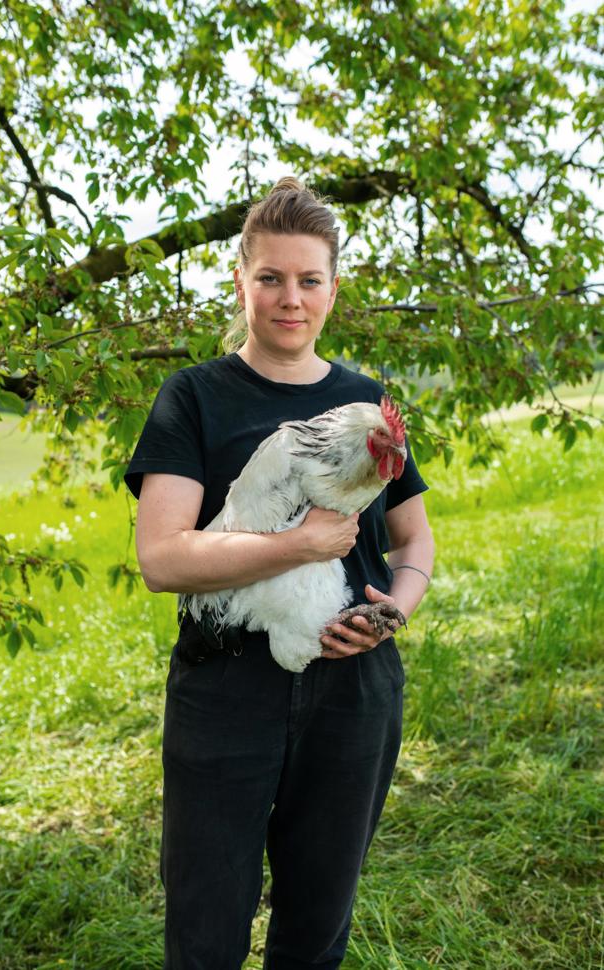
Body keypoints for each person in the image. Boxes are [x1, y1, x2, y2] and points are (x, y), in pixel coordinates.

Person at [124, 176, 434, 970]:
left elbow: (413, 542)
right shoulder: (193, 397)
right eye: (269, 277)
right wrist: (299, 544)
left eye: (308, 279)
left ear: (332, 288)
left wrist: (392, 611)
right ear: (241, 281)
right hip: (226, 689)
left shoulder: (365, 401)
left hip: (353, 694)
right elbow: (161, 559)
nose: (289, 298)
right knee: (205, 932)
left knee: (315, 931)